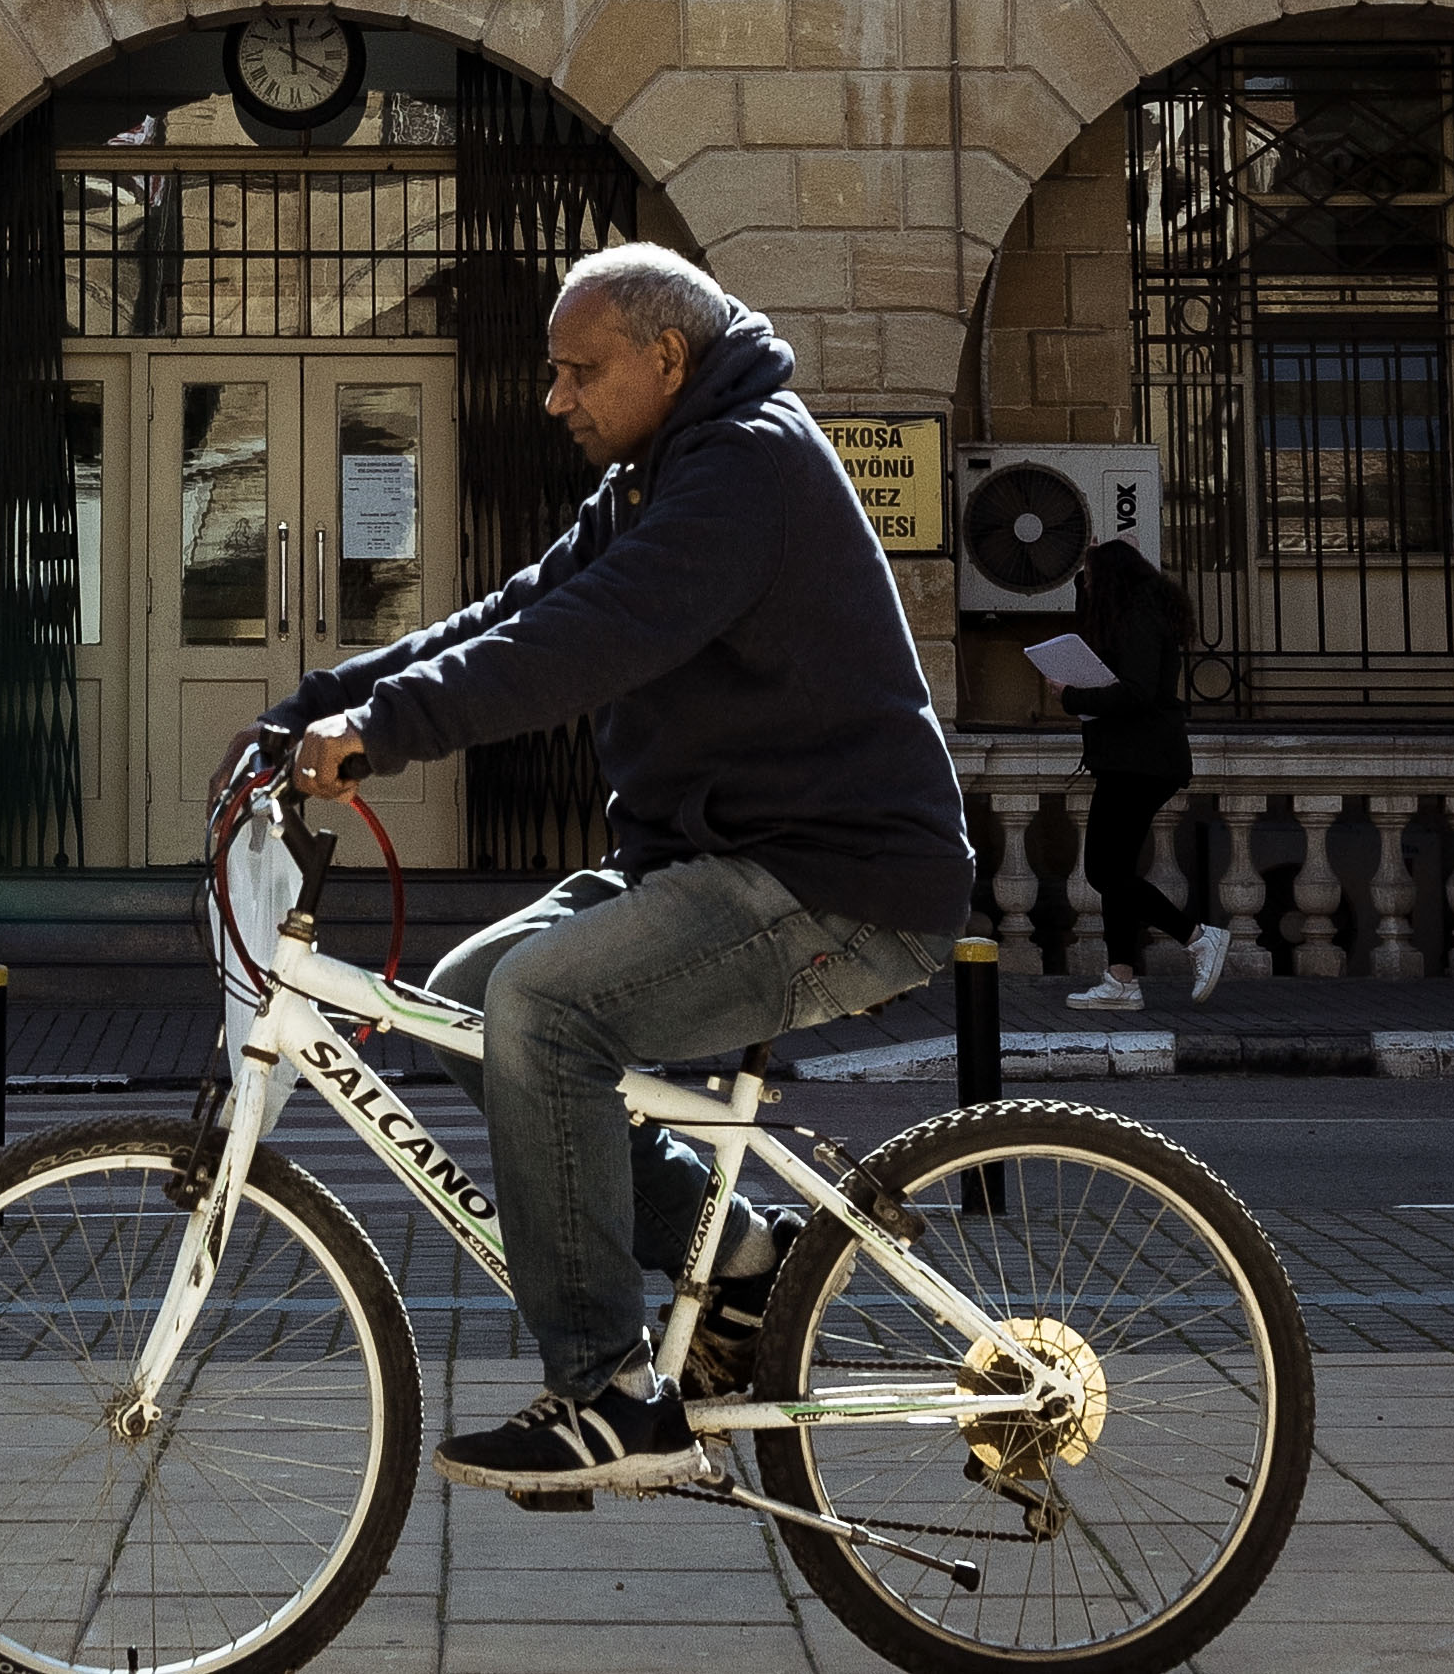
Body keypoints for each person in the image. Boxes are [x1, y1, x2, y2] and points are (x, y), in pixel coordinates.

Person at [278, 243, 967, 1497]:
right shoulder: (658, 471)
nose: (555, 399)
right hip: (715, 858)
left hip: (834, 881)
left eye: (576, 370)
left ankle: (605, 1393)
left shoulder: (744, 465)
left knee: (544, 1008)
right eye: (550, 373)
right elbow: (525, 607)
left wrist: (382, 735)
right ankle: (749, 1265)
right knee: (465, 999)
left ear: (666, 356)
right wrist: (320, 700)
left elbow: (587, 642)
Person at [1054, 532, 1230, 1010]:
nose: (1087, 588)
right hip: (1131, 760)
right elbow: (1093, 636)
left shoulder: (1138, 619)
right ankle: (1121, 980)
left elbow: (1137, 693)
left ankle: (1196, 937)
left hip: (1140, 761)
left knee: (1103, 869)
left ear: (1111, 581)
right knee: (1115, 873)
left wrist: (1071, 696)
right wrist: (1087, 565)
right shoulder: (1132, 612)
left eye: (1091, 579)